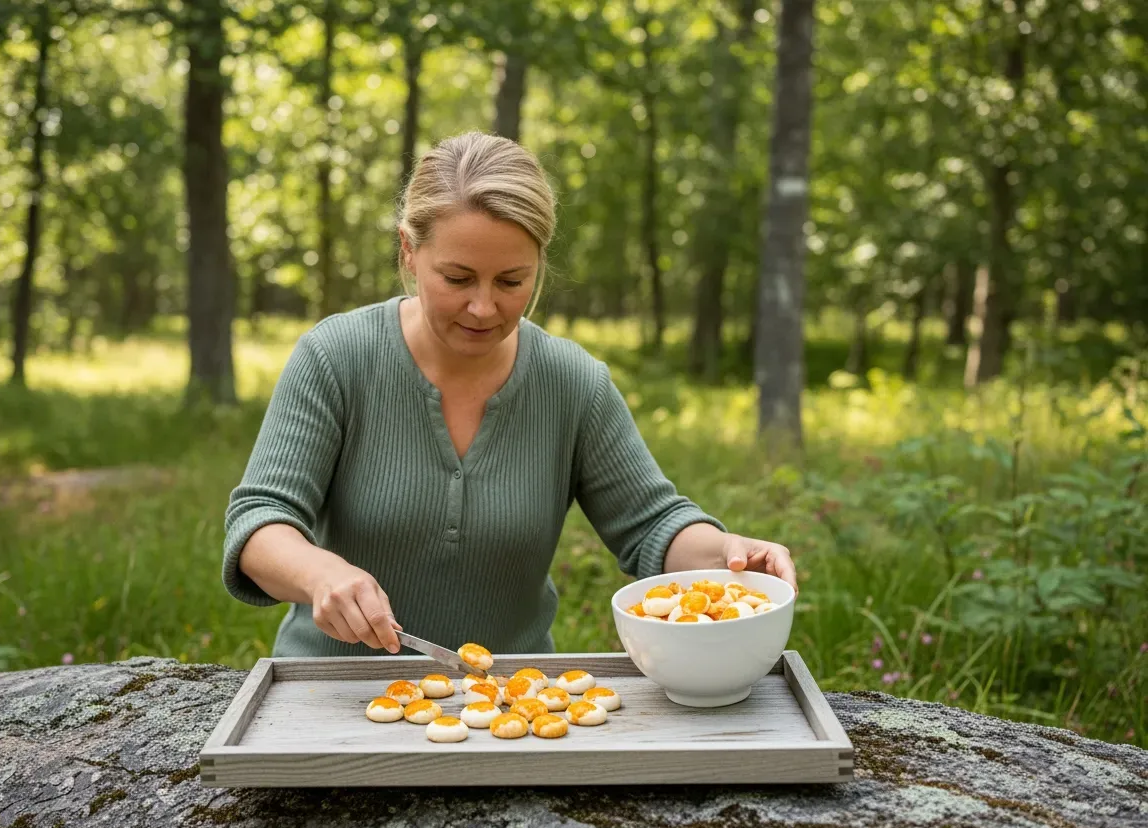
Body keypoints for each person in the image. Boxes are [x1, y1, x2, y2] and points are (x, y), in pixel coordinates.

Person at [221, 131, 797, 658]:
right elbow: (260, 521)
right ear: (407, 251)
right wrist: (320, 573)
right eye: (457, 278)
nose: (483, 307)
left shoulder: (572, 383)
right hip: (327, 697)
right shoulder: (336, 358)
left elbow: (652, 526)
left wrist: (729, 557)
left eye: (511, 282)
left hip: (507, 708)